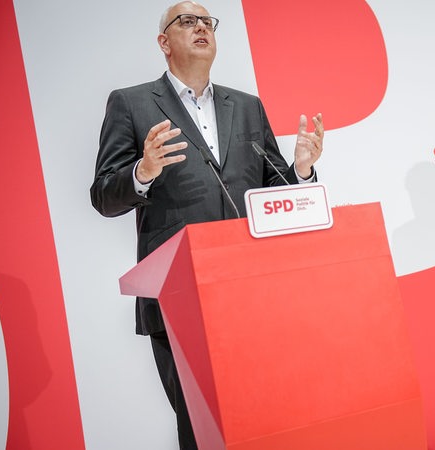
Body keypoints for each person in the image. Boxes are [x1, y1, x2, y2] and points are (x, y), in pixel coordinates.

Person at [90, 2, 323, 448]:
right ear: (164, 42)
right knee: (203, 431)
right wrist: (143, 170)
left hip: (252, 292)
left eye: (207, 21)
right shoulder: (133, 103)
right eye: (187, 21)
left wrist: (302, 171)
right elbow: (103, 194)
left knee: (269, 419)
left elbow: (274, 191)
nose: (201, 27)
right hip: (181, 298)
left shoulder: (248, 106)